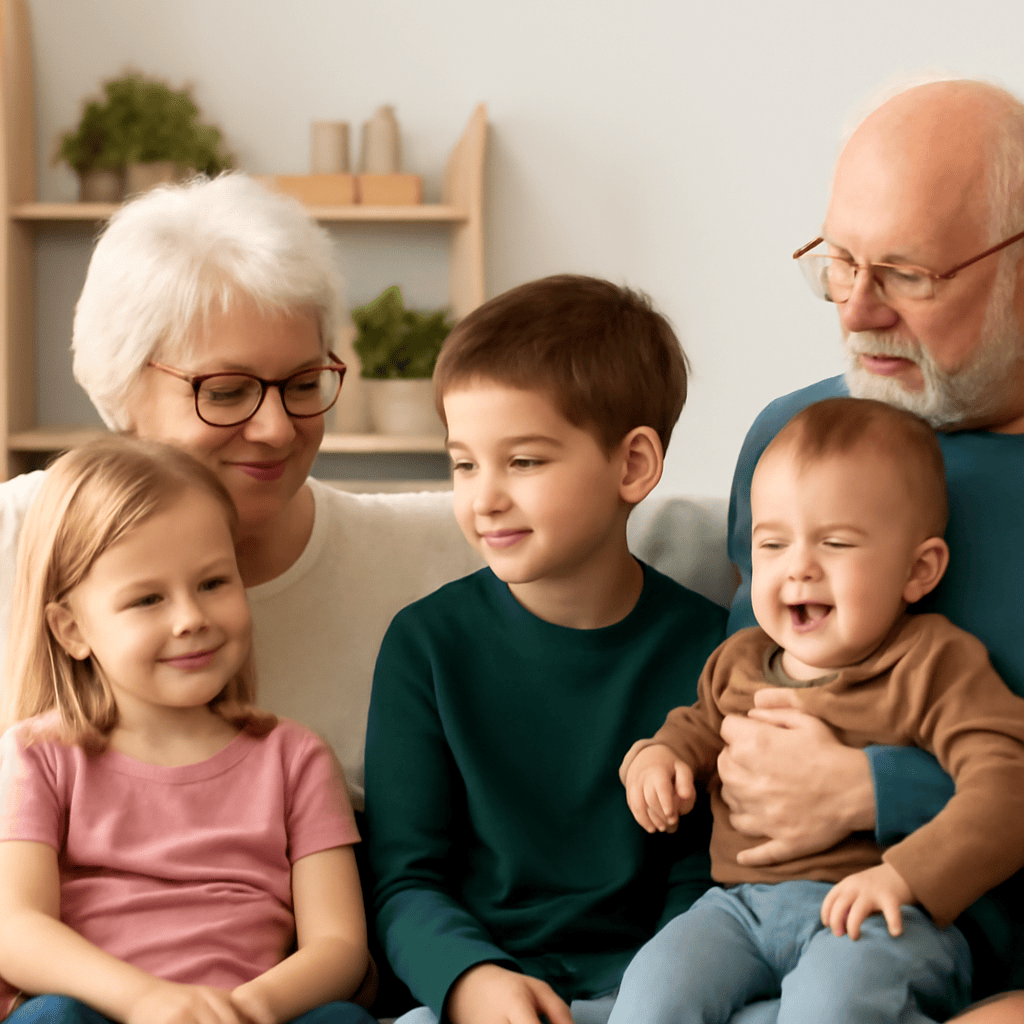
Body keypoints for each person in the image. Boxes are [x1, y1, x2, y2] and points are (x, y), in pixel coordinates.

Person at [0, 172, 481, 812]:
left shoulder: (451, 552)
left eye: (305, 383)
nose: (278, 429)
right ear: (120, 390)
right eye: (226, 392)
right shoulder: (16, 537)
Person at [722, 79, 1024, 1013]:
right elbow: (739, 728)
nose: (855, 311)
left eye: (906, 274)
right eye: (838, 263)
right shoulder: (793, 441)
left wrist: (876, 790)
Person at [363, 275, 727, 1024]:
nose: (483, 496)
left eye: (522, 462)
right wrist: (470, 980)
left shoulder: (712, 649)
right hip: (477, 994)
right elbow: (404, 880)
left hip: (661, 991)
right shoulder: (425, 646)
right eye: (464, 463)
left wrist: (662, 993)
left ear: (632, 466)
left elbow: (707, 874)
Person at [612, 397, 1024, 1023]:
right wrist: (657, 761)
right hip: (737, 908)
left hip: (883, 913)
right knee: (652, 989)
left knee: (834, 1004)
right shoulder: (740, 659)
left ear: (918, 570)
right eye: (772, 544)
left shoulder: (933, 663)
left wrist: (905, 879)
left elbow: (1008, 788)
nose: (798, 568)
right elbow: (694, 727)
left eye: (834, 542)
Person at [0, 436, 377, 1024]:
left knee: (342, 1021)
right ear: (71, 630)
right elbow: (16, 929)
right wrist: (147, 1000)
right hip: (103, 1014)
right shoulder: (38, 755)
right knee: (51, 1017)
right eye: (148, 599)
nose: (190, 619)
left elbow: (340, 946)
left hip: (255, 1016)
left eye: (212, 584)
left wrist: (240, 1010)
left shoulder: (295, 756)